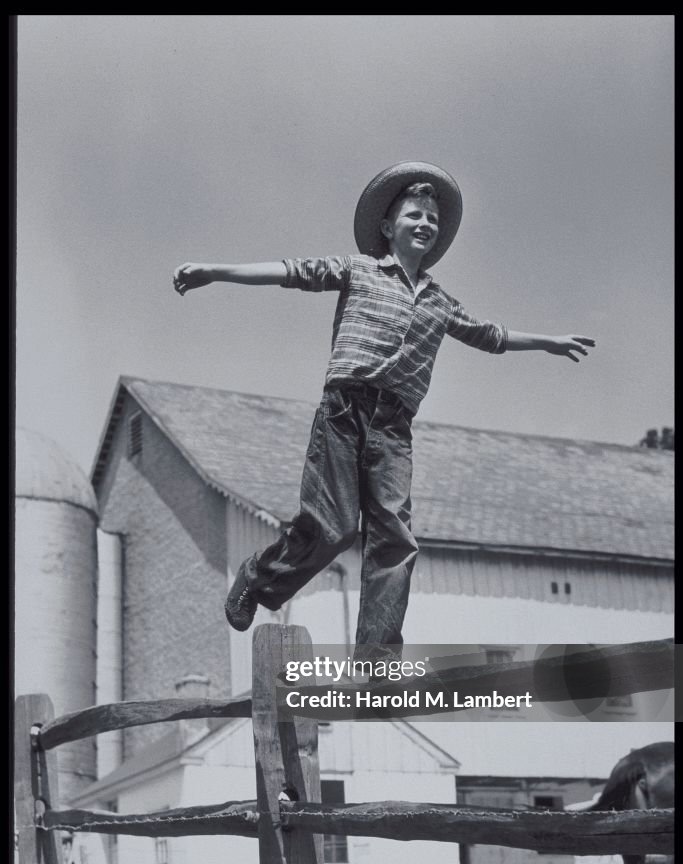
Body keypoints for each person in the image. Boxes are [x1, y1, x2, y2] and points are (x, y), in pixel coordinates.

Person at [173, 162, 595, 664]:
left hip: (394, 428)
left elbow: (491, 336)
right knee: (333, 528)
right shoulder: (359, 270)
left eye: (432, 220)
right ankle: (258, 578)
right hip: (345, 411)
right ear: (387, 227)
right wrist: (215, 272)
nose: (425, 224)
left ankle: (375, 664)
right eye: (415, 215)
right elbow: (290, 272)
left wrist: (548, 342)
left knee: (395, 539)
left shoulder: (441, 302)